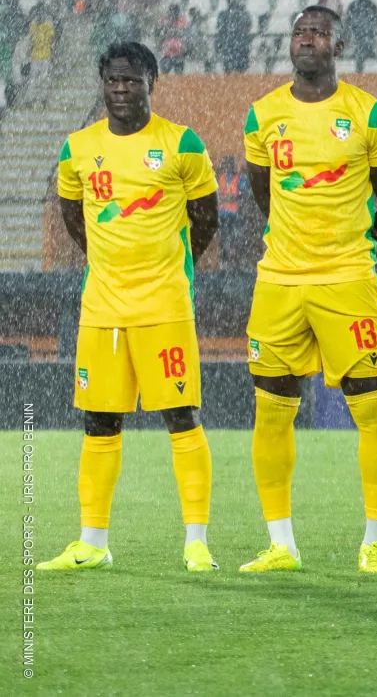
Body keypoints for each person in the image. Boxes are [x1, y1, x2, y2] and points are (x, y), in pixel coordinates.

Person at [240, 6, 377, 573]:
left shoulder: (370, 114)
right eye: (298, 32)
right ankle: (281, 545)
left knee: (373, 407)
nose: (306, 40)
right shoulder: (263, 115)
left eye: (317, 33)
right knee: (271, 412)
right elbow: (264, 197)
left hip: (348, 281)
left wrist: (368, 246)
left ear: (338, 47)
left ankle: (375, 542)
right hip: (279, 282)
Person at [39, 42, 220, 572]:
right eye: (113, 80)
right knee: (99, 421)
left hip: (164, 305)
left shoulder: (181, 143)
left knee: (181, 416)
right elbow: (73, 216)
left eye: (132, 80)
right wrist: (108, 261)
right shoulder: (77, 148)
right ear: (103, 83)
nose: (121, 89)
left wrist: (172, 265)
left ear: (151, 83)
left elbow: (206, 219)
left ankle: (196, 542)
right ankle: (92, 543)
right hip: (102, 309)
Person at [215, 0, 253, 74]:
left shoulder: (245, 14)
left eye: (237, 0)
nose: (235, 2)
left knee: (240, 71)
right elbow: (220, 30)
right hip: (230, 47)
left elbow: (248, 27)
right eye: (233, 0)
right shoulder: (223, 14)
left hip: (240, 47)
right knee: (229, 71)